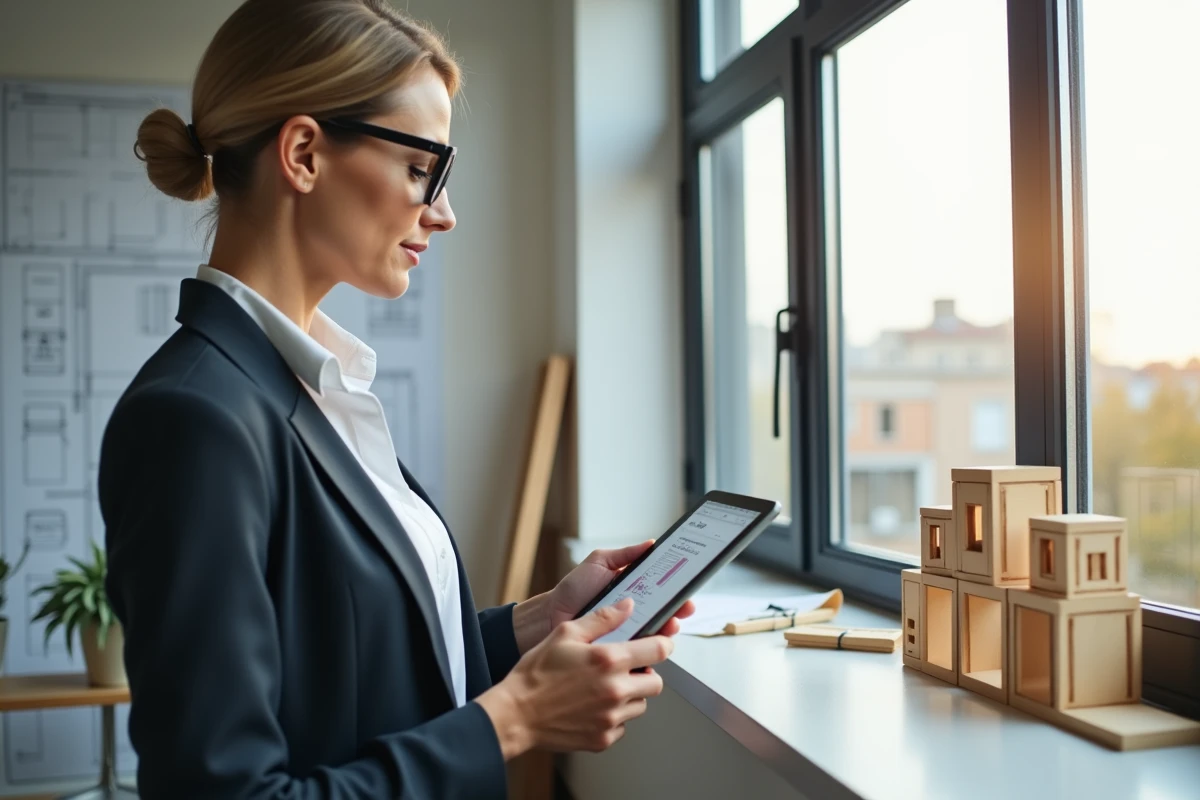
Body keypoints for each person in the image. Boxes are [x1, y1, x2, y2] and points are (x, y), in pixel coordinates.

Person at [99, 1, 694, 796]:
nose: (443, 213)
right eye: (422, 170)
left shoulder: (315, 387)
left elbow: (354, 670)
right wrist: (515, 718)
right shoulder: (193, 420)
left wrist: (534, 624)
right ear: (303, 154)